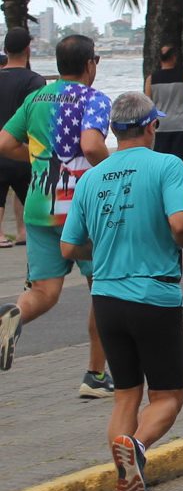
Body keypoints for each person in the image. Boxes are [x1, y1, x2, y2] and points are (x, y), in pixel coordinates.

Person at [58, 92, 183, 491]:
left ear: (113, 131)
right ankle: (136, 454)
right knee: (167, 397)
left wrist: (102, 247)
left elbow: (69, 246)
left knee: (125, 395)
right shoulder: (167, 166)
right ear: (151, 126)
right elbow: (180, 223)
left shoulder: (90, 179)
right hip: (154, 296)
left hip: (105, 298)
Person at [0, 34, 113, 394]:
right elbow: (93, 144)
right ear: (90, 64)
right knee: (103, 291)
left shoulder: (36, 97)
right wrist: (115, 171)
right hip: (83, 213)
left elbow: (4, 142)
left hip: (40, 206)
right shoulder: (94, 99)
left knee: (44, 291)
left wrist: (35, 160)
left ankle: (12, 316)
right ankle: (95, 376)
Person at [0, 28, 44, 251]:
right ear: (28, 49)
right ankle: (22, 231)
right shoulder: (34, 81)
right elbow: (39, 117)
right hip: (22, 148)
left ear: (5, 50)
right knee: (27, 192)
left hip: (1, 145)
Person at [144, 45, 183, 166]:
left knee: (160, 162)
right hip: (181, 124)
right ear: (174, 57)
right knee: (180, 161)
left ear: (159, 59)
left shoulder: (151, 79)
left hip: (160, 126)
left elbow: (148, 106)